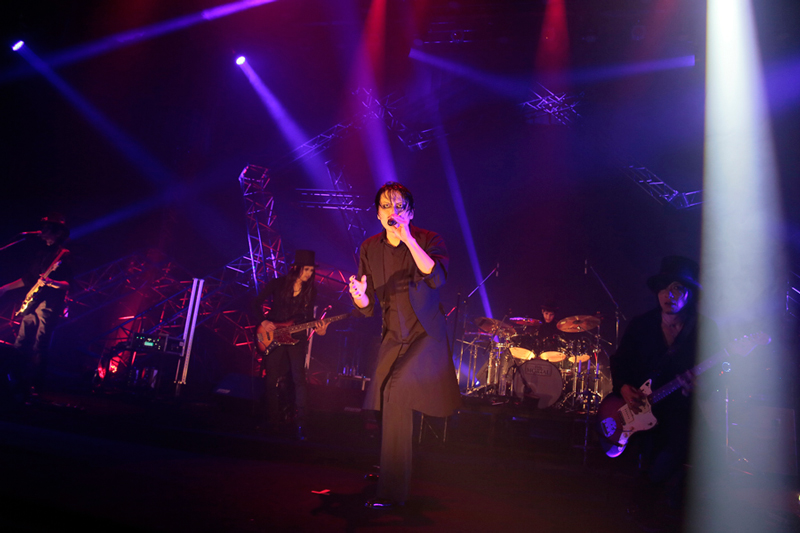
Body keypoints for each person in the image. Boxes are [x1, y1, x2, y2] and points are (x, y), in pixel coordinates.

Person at [348, 182, 461, 508]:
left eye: (399, 206)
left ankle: (392, 492)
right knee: (385, 397)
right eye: (386, 206)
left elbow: (435, 276)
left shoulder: (428, 240)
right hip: (393, 336)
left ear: (410, 212)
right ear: (377, 213)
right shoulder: (369, 248)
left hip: (426, 335)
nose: (392, 212)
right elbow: (367, 305)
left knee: (396, 391)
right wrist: (359, 297)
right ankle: (391, 468)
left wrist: (408, 238)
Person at [610, 256, 720, 528]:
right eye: (663, 288)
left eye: (677, 288)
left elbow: (716, 377)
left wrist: (702, 386)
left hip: (681, 411)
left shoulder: (706, 329)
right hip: (641, 409)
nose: (668, 295)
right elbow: (620, 362)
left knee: (690, 455)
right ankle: (644, 509)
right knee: (647, 461)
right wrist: (624, 387)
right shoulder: (641, 325)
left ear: (689, 293)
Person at [251, 250, 328, 439]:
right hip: (273, 335)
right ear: (296, 268)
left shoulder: (311, 291)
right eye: (306, 269)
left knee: (299, 379)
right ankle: (273, 421)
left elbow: (308, 318)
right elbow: (255, 303)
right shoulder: (277, 284)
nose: (309, 273)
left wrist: (319, 328)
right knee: (271, 380)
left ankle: (302, 423)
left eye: (311, 270)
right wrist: (263, 321)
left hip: (297, 338)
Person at [0, 214, 73, 400]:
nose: (42, 231)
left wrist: (51, 282)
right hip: (33, 302)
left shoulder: (64, 255)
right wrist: (5, 288)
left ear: (58, 233)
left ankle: (35, 385)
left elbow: (68, 284)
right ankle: (13, 380)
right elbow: (28, 279)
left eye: (47, 228)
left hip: (49, 304)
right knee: (21, 341)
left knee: (40, 343)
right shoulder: (42, 253)